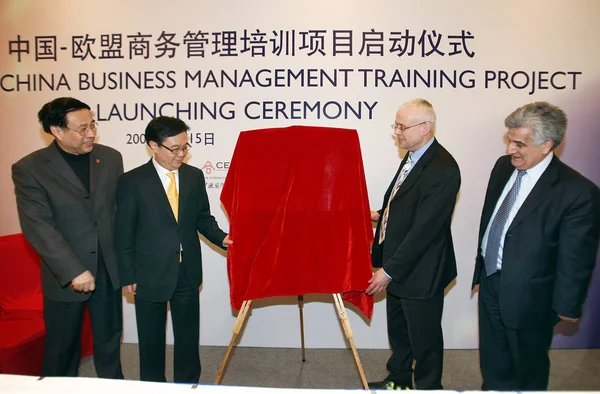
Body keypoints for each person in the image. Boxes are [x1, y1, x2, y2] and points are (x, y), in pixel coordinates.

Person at [473, 101, 600, 391]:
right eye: (509, 141)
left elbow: (576, 257)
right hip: (491, 279)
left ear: (547, 145)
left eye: (519, 144)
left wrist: (568, 305)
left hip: (532, 296)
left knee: (527, 367)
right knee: (493, 360)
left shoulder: (578, 192)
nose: (509, 150)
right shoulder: (503, 167)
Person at [11, 97, 124, 378]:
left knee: (110, 343)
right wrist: (74, 270)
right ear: (57, 131)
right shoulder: (30, 168)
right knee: (62, 349)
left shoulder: (110, 157)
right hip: (66, 276)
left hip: (108, 270)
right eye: (82, 128)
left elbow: (117, 212)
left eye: (93, 125)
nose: (91, 134)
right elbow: (38, 226)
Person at [115, 116, 231, 383]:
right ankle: (154, 387)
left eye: (185, 147)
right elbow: (124, 232)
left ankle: (188, 385)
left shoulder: (194, 176)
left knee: (188, 339)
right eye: (175, 148)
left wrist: (222, 238)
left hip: (187, 271)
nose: (182, 154)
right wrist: (127, 274)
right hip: (148, 274)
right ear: (153, 146)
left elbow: (202, 217)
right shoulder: (132, 181)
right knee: (151, 341)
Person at [367, 98, 461, 390]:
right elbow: (408, 209)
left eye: (402, 126)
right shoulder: (413, 155)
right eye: (396, 125)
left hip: (421, 272)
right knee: (400, 333)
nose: (397, 131)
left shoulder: (443, 169)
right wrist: (381, 216)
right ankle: (398, 380)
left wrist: (388, 272)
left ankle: (430, 387)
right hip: (399, 265)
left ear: (425, 127)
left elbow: (424, 231)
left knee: (424, 339)